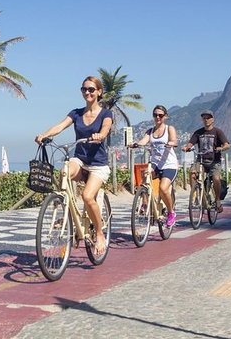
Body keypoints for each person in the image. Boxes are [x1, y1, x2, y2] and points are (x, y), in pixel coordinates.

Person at [35, 76, 113, 256]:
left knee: (87, 196)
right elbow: (61, 126)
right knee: (64, 172)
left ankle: (100, 233)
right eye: (84, 89)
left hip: (97, 165)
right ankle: (68, 213)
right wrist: (44, 135)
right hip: (79, 160)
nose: (87, 92)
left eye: (91, 89)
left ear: (99, 92)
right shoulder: (76, 113)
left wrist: (100, 135)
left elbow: (106, 128)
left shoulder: (105, 114)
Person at [129, 105, 178, 227]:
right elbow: (144, 141)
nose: (157, 117)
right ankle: (145, 203)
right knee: (144, 177)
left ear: (165, 116)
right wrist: (136, 144)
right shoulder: (150, 131)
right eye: (155, 114)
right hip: (155, 163)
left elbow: (174, 140)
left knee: (163, 188)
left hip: (169, 164)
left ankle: (171, 212)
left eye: (160, 115)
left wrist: (171, 143)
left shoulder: (169, 129)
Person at [182, 109, 230, 213]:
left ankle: (217, 200)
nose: (206, 120)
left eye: (208, 118)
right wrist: (187, 148)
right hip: (201, 161)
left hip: (214, 161)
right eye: (204, 118)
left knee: (216, 178)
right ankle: (197, 194)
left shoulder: (218, 132)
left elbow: (227, 144)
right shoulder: (198, 132)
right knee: (192, 173)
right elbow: (191, 143)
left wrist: (221, 148)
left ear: (212, 119)